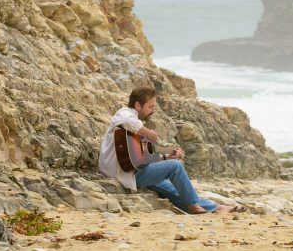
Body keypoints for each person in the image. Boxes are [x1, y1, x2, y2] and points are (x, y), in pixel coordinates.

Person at [98, 87, 244, 214]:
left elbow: (142, 156)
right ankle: (194, 206)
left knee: (174, 189)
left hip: (132, 170)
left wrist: (168, 155)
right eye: (150, 107)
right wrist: (147, 132)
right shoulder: (124, 114)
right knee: (176, 166)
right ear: (137, 105)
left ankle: (215, 208)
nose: (153, 111)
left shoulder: (134, 125)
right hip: (120, 173)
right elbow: (128, 121)